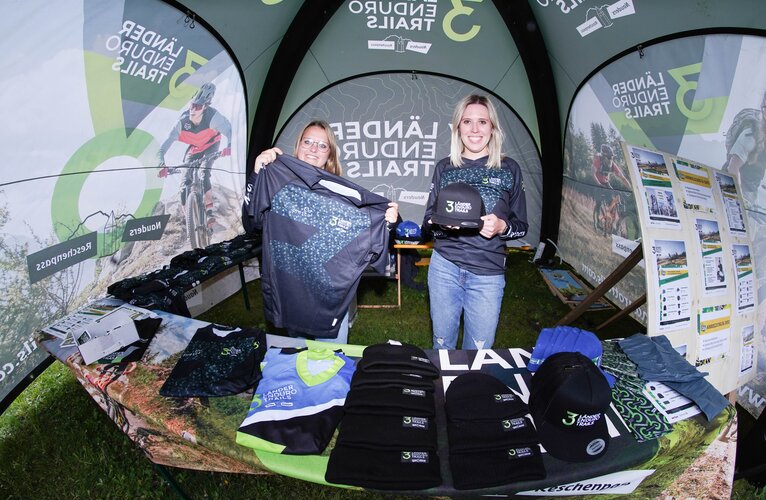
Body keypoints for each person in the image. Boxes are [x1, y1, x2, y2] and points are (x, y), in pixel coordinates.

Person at [252, 120, 399, 344]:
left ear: (329, 154)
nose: (313, 149)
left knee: (331, 360)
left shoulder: (342, 195)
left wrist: (385, 223)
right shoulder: (276, 181)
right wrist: (257, 174)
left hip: (329, 300)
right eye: (308, 142)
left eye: (322, 145)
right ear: (298, 145)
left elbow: (367, 233)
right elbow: (252, 222)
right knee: (298, 357)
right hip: (290, 293)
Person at [422, 94, 528, 350]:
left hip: (487, 274)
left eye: (482, 122)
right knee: (442, 347)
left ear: (493, 128)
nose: (475, 129)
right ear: (458, 127)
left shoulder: (509, 168)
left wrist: (502, 227)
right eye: (467, 121)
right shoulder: (445, 167)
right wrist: (441, 225)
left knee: (478, 354)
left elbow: (522, 226)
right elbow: (427, 224)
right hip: (444, 269)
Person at [158, 82, 232, 230]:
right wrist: (161, 165)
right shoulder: (181, 122)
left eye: (197, 107)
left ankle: (209, 211)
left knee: (204, 173)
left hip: (212, 144)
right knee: (184, 185)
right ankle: (190, 223)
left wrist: (228, 147)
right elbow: (162, 148)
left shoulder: (213, 117)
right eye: (192, 105)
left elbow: (229, 129)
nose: (193, 109)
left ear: (205, 107)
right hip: (195, 148)